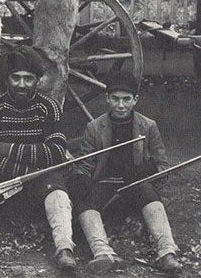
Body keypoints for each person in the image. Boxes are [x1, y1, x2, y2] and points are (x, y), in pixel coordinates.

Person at [0, 46, 78, 273]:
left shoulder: (49, 108)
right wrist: (22, 170)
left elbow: (56, 152)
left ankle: (65, 249)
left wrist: (8, 148)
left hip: (40, 181)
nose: (21, 84)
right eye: (16, 78)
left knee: (56, 185)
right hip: (2, 181)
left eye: (28, 79)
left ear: (38, 80)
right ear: (7, 79)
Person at [68, 72, 181, 274]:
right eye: (115, 99)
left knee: (149, 193)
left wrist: (149, 170)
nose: (121, 105)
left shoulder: (148, 126)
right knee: (85, 200)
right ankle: (102, 253)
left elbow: (163, 166)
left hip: (135, 184)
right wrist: (80, 178)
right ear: (107, 99)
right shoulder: (94, 127)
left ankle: (167, 252)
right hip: (105, 185)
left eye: (126, 99)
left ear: (135, 100)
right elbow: (84, 164)